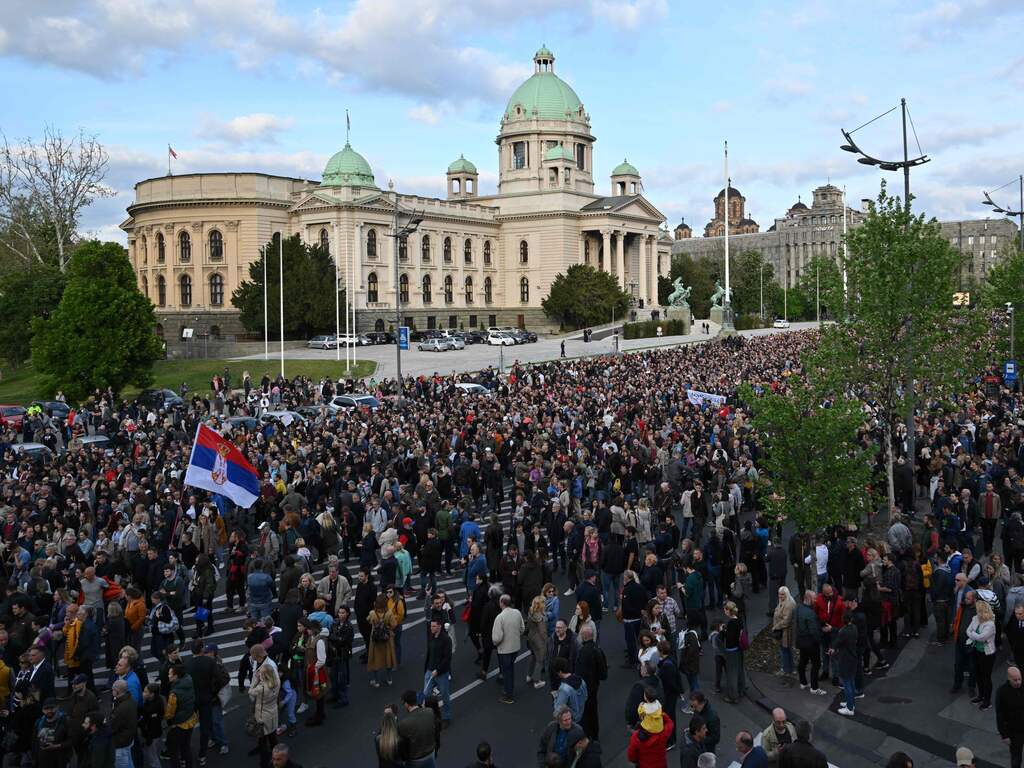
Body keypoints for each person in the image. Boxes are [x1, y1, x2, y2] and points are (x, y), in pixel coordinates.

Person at [491, 594, 525, 704]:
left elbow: (497, 638)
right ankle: (509, 689)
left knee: (507, 672)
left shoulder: (500, 617)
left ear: (501, 603)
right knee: (510, 669)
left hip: (504, 649)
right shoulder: (517, 613)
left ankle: (508, 695)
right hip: (515, 647)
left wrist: (496, 643)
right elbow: (522, 629)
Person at [164, 663, 198, 768]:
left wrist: (166, 718)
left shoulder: (174, 693)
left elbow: (169, 713)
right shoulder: (189, 680)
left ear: (176, 676)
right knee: (186, 746)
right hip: (191, 719)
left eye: (170, 674)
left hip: (179, 725)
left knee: (173, 751)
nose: (168, 676)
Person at [967, 599, 997, 710]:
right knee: (978, 674)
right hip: (976, 651)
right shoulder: (975, 618)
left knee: (986, 677)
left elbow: (981, 637)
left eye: (977, 610)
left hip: (987, 654)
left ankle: (987, 701)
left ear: (982, 611)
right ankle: (981, 695)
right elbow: (967, 630)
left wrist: (972, 634)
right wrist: (974, 635)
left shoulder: (990, 624)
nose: (975, 612)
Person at [626, 696, 672, 768]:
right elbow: (670, 723)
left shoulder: (636, 737)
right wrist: (661, 714)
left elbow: (631, 756)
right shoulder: (663, 733)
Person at [422, 618, 453, 726]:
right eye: (431, 626)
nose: (431, 628)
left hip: (441, 673)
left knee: (445, 696)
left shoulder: (446, 639)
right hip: (429, 671)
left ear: (439, 626)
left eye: (434, 626)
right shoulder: (431, 636)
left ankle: (446, 717)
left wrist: (438, 670)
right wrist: (427, 669)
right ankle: (433, 715)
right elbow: (429, 653)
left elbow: (447, 658)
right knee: (426, 694)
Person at [399, 689, 439, 768]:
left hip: (416, 759)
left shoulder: (404, 723)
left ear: (406, 704)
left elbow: (402, 743)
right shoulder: (430, 711)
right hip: (431, 753)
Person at [996, 666, 1024, 768]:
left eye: (1019, 679)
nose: (1018, 682)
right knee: (1016, 757)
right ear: (1009, 678)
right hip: (1014, 731)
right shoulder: (1002, 692)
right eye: (1015, 680)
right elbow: (1000, 715)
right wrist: (1004, 735)